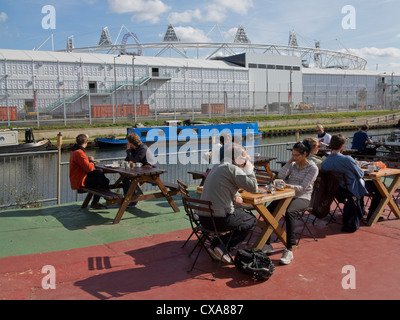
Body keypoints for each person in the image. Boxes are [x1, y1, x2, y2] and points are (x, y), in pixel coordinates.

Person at [200, 143, 258, 264]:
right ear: (237, 159)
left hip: (204, 219)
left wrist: (236, 194)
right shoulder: (232, 168)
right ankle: (223, 248)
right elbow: (253, 187)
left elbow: (223, 185)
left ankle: (215, 246)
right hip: (219, 220)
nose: (247, 160)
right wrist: (249, 168)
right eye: (245, 157)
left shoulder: (217, 166)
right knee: (251, 220)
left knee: (240, 217)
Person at [265, 142, 318, 265]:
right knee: (268, 210)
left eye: (296, 155)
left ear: (304, 154)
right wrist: (289, 163)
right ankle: (266, 242)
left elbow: (303, 187)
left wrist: (288, 185)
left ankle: (289, 248)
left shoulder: (312, 168)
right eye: (292, 154)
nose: (294, 157)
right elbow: (281, 175)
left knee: (290, 212)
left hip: (303, 197)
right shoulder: (293, 165)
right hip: (288, 195)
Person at [322, 134, 382, 231]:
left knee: (362, 184)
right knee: (380, 188)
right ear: (342, 146)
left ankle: (362, 210)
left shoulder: (325, 162)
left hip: (337, 191)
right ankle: (372, 214)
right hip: (351, 189)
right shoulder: (347, 159)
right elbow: (360, 174)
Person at [69, 134, 110, 209]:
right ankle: (107, 195)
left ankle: (105, 193)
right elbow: (89, 168)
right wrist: (91, 161)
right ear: (85, 141)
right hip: (80, 180)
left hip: (78, 177)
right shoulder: (80, 152)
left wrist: (91, 162)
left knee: (100, 173)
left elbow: (82, 164)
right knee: (102, 180)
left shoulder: (74, 151)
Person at [122, 133, 156, 206]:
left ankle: (134, 200)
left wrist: (128, 151)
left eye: (128, 142)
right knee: (125, 178)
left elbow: (135, 161)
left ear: (131, 142)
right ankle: (127, 198)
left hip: (151, 170)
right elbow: (128, 160)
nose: (127, 143)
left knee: (132, 179)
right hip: (141, 169)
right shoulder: (134, 149)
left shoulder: (143, 148)